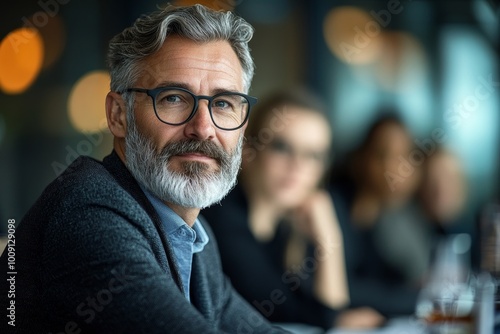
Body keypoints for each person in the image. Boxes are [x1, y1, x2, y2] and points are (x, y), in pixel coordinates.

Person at [0, 5, 289, 334]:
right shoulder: (88, 214)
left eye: (222, 103)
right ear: (118, 116)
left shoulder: (195, 237)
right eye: (174, 98)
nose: (203, 128)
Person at [202, 89, 385, 330]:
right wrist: (329, 237)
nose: (297, 165)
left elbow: (329, 307)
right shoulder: (224, 220)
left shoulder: (285, 228)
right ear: (248, 151)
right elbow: (309, 316)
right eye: (282, 147)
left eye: (313, 155)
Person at [329, 114, 426, 317]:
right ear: (360, 160)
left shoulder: (390, 217)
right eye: (383, 155)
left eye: (406, 156)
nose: (398, 168)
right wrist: (417, 297)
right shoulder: (333, 208)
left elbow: (410, 280)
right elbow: (342, 290)